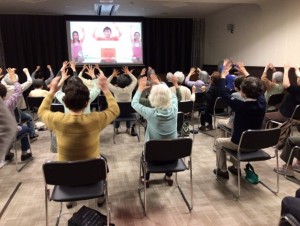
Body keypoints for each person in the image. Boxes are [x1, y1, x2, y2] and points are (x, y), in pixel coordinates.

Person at [38, 69, 119, 208]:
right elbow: (114, 110)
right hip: (92, 176)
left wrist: (51, 91)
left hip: (65, 177)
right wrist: (105, 89)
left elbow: (42, 111)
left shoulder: (57, 119)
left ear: (65, 102)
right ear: (87, 102)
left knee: (72, 166)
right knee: (102, 161)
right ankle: (100, 197)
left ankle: (69, 199)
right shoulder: (95, 120)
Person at [213, 62, 266, 179]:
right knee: (234, 134)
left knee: (219, 142)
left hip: (241, 144)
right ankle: (235, 167)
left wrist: (223, 75)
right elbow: (259, 87)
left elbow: (223, 92)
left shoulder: (240, 105)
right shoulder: (262, 102)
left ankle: (222, 170)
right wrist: (245, 72)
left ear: (243, 93)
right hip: (256, 143)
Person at [131, 76, 178, 187]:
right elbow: (173, 96)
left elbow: (134, 103)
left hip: (153, 157)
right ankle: (169, 176)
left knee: (146, 151)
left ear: (152, 98)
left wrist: (139, 88)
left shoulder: (150, 113)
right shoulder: (175, 109)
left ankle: (146, 179)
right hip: (172, 156)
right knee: (168, 147)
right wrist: (160, 83)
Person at [0, 68, 33, 161]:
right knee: (25, 129)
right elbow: (19, 91)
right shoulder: (8, 103)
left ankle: (6, 153)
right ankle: (25, 153)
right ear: (4, 94)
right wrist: (14, 79)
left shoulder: (3, 84)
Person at [1, 68, 38, 140]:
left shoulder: (2, 86)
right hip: (15, 111)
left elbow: (3, 80)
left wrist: (8, 75)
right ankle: (32, 135)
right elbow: (29, 82)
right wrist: (26, 72)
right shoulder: (17, 88)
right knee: (28, 117)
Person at [107, 66, 138, 135]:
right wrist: (129, 73)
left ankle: (116, 129)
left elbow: (107, 82)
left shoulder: (115, 89)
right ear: (127, 82)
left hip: (118, 113)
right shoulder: (130, 88)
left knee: (117, 112)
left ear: (117, 83)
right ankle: (128, 128)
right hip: (129, 113)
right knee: (127, 111)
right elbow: (135, 80)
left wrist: (112, 75)